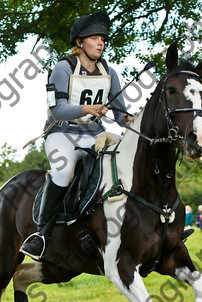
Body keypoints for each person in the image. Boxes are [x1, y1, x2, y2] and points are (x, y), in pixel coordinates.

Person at [20, 11, 129, 261]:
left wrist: (130, 119)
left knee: (122, 161)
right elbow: (58, 110)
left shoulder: (109, 72)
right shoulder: (62, 68)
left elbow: (121, 111)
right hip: (62, 134)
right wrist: (87, 109)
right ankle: (41, 234)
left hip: (94, 135)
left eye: (103, 38)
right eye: (94, 38)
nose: (101, 42)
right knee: (63, 171)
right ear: (80, 42)